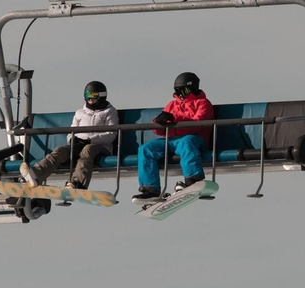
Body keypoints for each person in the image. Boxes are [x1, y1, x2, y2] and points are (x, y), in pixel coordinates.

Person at [133, 71, 214, 200]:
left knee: (186, 142)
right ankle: (150, 188)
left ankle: (193, 179)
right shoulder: (172, 105)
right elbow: (158, 131)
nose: (181, 94)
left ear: (193, 88)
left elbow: (198, 124)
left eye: (185, 90)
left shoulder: (203, 103)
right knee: (146, 149)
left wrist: (175, 118)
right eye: (178, 91)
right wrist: (159, 122)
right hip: (171, 140)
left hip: (194, 139)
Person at [25, 80, 118, 189]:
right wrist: (73, 140)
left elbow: (111, 134)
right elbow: (71, 132)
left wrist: (90, 140)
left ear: (102, 96)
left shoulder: (109, 112)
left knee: (88, 149)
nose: (90, 99)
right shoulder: (80, 113)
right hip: (79, 145)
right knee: (60, 151)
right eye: (87, 95)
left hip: (100, 148)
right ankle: (35, 174)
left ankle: (77, 182)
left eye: (94, 96)